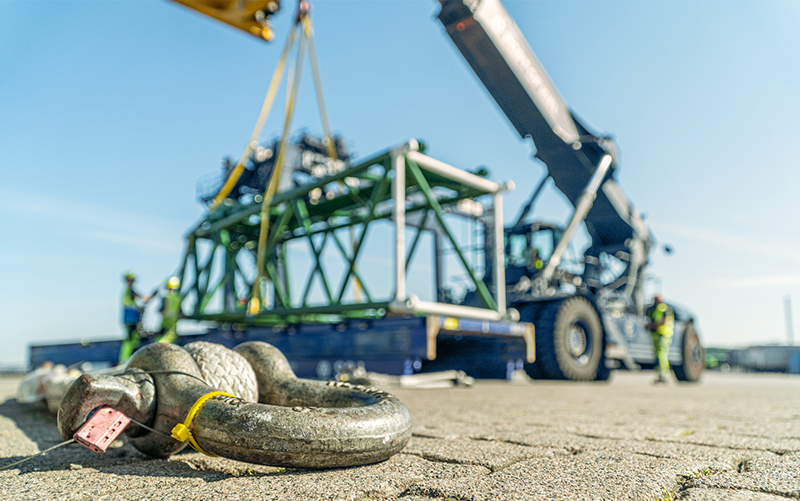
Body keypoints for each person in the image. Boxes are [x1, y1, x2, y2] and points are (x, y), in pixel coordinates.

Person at [645, 294, 674, 384]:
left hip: (663, 334)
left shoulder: (664, 308)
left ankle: (664, 375)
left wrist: (651, 325)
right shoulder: (653, 310)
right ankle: (661, 374)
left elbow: (663, 321)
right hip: (655, 334)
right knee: (658, 355)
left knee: (662, 355)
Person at [119, 271, 144, 365]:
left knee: (131, 339)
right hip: (131, 318)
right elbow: (141, 298)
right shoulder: (129, 291)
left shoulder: (128, 291)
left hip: (129, 318)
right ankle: (126, 360)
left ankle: (126, 360)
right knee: (131, 340)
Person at [154, 276, 182, 344]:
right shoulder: (178, 298)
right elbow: (180, 311)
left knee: (162, 338)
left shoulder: (165, 297)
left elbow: (160, 309)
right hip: (174, 321)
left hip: (165, 320)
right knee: (172, 337)